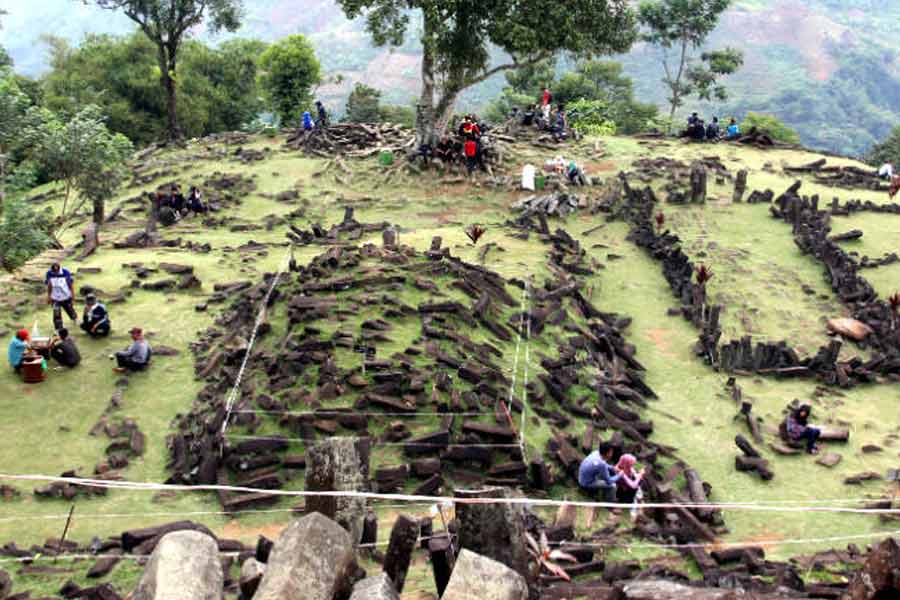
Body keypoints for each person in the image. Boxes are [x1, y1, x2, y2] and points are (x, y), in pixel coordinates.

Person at [46, 263, 77, 332]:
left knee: (70, 310)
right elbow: (49, 285)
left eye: (57, 271)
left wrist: (73, 296)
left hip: (66, 296)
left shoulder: (66, 272)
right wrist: (49, 296)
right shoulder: (49, 273)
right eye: (54, 271)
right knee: (56, 313)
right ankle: (58, 329)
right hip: (55, 298)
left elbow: (70, 285)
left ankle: (74, 318)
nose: (56, 272)